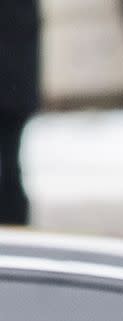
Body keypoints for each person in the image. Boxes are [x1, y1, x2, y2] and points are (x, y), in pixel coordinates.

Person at [0, 0, 39, 226]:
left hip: (14, 95)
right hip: (17, 94)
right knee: (12, 166)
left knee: (11, 166)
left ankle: (13, 227)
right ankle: (14, 227)